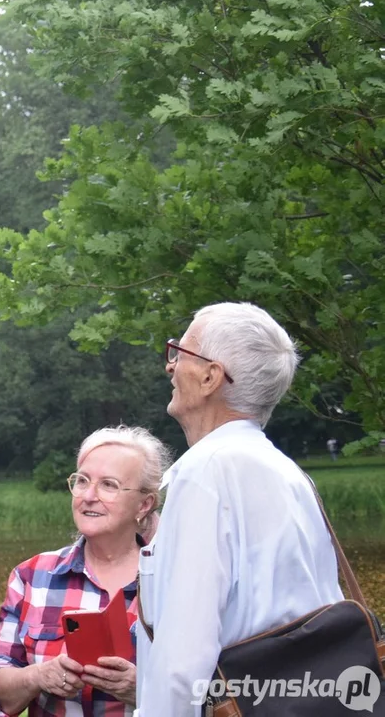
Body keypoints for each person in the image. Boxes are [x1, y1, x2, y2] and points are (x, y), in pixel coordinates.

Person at [134, 302, 344, 716]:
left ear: (212, 376)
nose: (170, 366)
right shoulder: (291, 474)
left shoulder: (206, 473)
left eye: (181, 352)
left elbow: (182, 660)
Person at [0, 425, 169, 717]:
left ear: (144, 504)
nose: (89, 496)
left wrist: (143, 688)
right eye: (82, 481)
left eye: (109, 485)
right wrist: (37, 677)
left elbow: (213, 691)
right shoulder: (32, 576)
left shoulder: (174, 581)